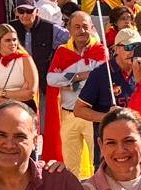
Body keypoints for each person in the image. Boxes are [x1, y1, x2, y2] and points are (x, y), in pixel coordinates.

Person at [44, 12, 105, 177]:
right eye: (77, 27)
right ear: (69, 29)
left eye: (85, 26)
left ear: (92, 28)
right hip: (69, 115)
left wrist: (67, 81)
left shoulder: (100, 50)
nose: (82, 31)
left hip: (91, 115)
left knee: (98, 163)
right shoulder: (62, 51)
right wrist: (78, 77)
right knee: (71, 168)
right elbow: (51, 79)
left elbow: (101, 78)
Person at [0, 23, 38, 112]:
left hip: (24, 110)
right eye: (8, 40)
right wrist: (17, 98)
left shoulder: (25, 59)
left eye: (14, 40)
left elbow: (31, 93)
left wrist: (3, 93)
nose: (12, 43)